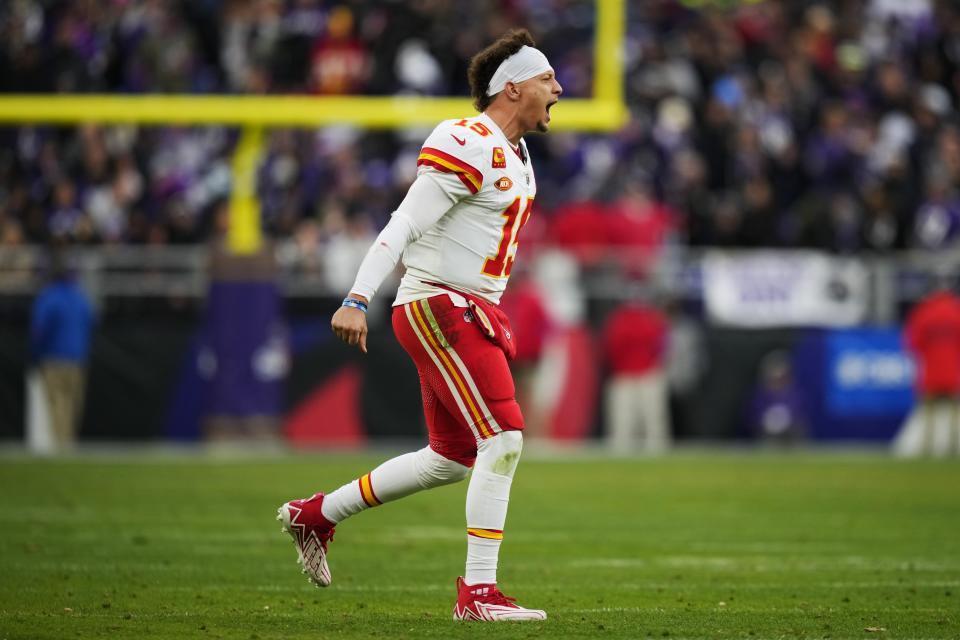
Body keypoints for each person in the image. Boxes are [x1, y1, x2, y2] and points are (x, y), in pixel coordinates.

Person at [277, 29, 562, 621]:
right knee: (504, 437)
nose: (558, 89)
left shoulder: (517, 152)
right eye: (545, 79)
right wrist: (357, 297)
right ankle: (478, 594)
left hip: (465, 305)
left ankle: (317, 515)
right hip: (440, 303)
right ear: (511, 88)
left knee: (451, 457)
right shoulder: (471, 138)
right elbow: (403, 224)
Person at [29, 249, 95, 451]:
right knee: (72, 406)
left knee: (58, 406)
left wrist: (35, 354)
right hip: (77, 360)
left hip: (53, 359)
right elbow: (92, 322)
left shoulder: (49, 297)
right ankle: (67, 445)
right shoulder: (80, 297)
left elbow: (38, 329)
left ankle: (61, 448)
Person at [893, 281, 960, 457]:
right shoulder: (956, 311)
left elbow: (911, 343)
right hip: (953, 372)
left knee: (928, 412)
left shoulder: (924, 312)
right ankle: (952, 448)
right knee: (954, 413)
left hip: (931, 372)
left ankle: (928, 448)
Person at [600, 297, 671, 453]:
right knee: (636, 423)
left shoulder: (621, 320)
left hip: (632, 374)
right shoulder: (651, 319)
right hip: (637, 374)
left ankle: (632, 451)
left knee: (636, 423)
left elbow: (610, 347)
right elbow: (663, 346)